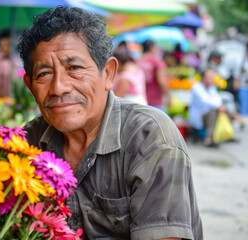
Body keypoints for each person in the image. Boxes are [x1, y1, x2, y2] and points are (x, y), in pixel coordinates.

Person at [18, 6, 203, 239]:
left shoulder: (150, 137)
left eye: (74, 68)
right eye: (44, 73)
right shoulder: (26, 144)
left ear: (108, 74)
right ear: (30, 86)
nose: (58, 87)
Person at [189, 68, 226, 147]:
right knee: (213, 111)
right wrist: (218, 106)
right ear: (204, 78)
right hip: (200, 117)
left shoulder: (212, 88)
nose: (213, 80)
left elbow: (218, 99)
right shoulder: (197, 87)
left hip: (207, 115)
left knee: (224, 110)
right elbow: (205, 101)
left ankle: (223, 135)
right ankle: (208, 139)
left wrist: (220, 106)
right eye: (211, 78)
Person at [137, 39, 171, 112]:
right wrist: (169, 97)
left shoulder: (137, 62)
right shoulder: (157, 62)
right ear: (152, 47)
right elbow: (162, 82)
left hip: (140, 101)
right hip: (155, 101)